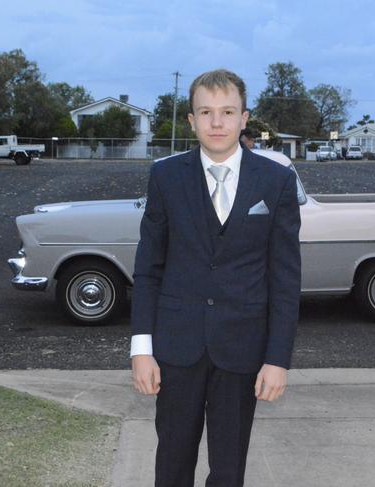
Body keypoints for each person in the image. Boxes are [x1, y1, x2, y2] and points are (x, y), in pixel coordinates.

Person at [131, 69, 301, 487]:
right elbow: (148, 268)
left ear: (245, 117)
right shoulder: (165, 177)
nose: (217, 122)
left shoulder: (276, 180)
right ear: (191, 120)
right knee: (171, 464)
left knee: (228, 470)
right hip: (176, 348)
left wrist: (277, 359)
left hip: (242, 350)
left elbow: (285, 278)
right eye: (206, 112)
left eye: (227, 111)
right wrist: (141, 349)